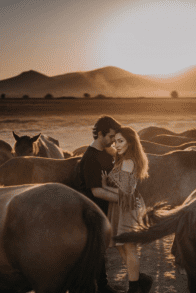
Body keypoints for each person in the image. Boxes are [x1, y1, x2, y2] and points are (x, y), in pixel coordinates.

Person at [101, 126, 153, 293]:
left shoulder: (128, 161)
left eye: (121, 141)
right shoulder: (122, 159)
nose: (117, 144)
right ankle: (141, 279)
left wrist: (103, 187)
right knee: (120, 245)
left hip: (128, 207)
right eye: (115, 141)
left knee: (128, 247)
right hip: (121, 207)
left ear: (130, 143)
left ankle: (135, 287)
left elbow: (126, 192)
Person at [77, 115, 122, 293]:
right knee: (97, 252)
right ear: (101, 134)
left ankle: (103, 286)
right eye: (111, 137)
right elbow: (96, 191)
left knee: (101, 251)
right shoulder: (90, 158)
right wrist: (123, 198)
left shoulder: (105, 153)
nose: (113, 141)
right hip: (93, 211)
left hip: (104, 209)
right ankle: (102, 288)